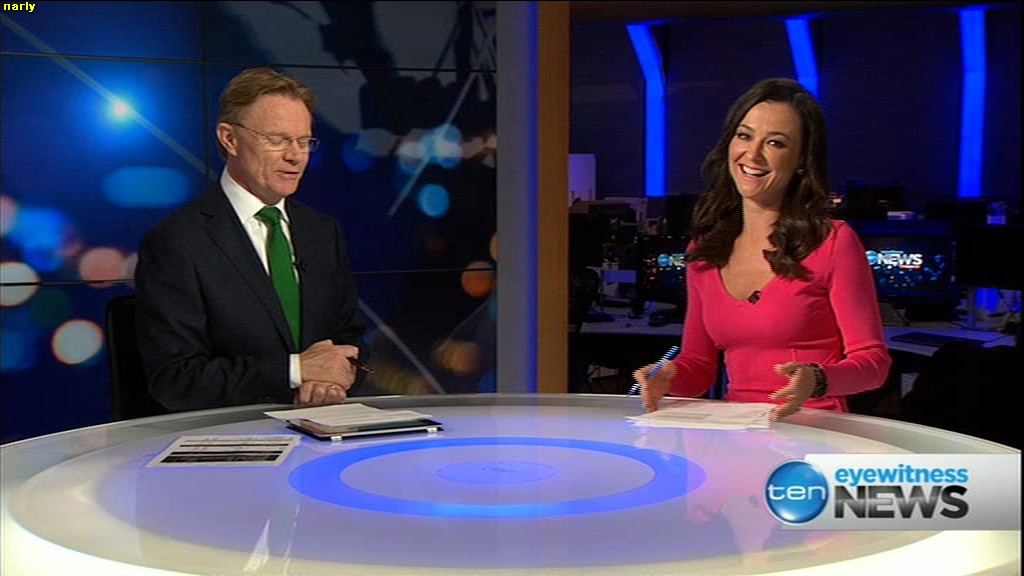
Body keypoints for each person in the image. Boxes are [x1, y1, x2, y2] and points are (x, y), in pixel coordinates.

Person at [634, 78, 891, 420]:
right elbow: (699, 366)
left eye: (775, 143)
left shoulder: (832, 242)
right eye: (744, 136)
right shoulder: (706, 252)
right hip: (737, 431)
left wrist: (817, 380)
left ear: (801, 161)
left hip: (815, 429)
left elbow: (874, 364)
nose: (753, 155)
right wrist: (668, 376)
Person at [135, 67, 369, 411]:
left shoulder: (322, 231)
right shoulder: (177, 242)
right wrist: (295, 371)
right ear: (229, 139)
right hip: (230, 434)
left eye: (304, 141)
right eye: (277, 140)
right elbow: (176, 379)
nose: (295, 156)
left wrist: (332, 379)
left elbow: (350, 341)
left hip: (323, 427)